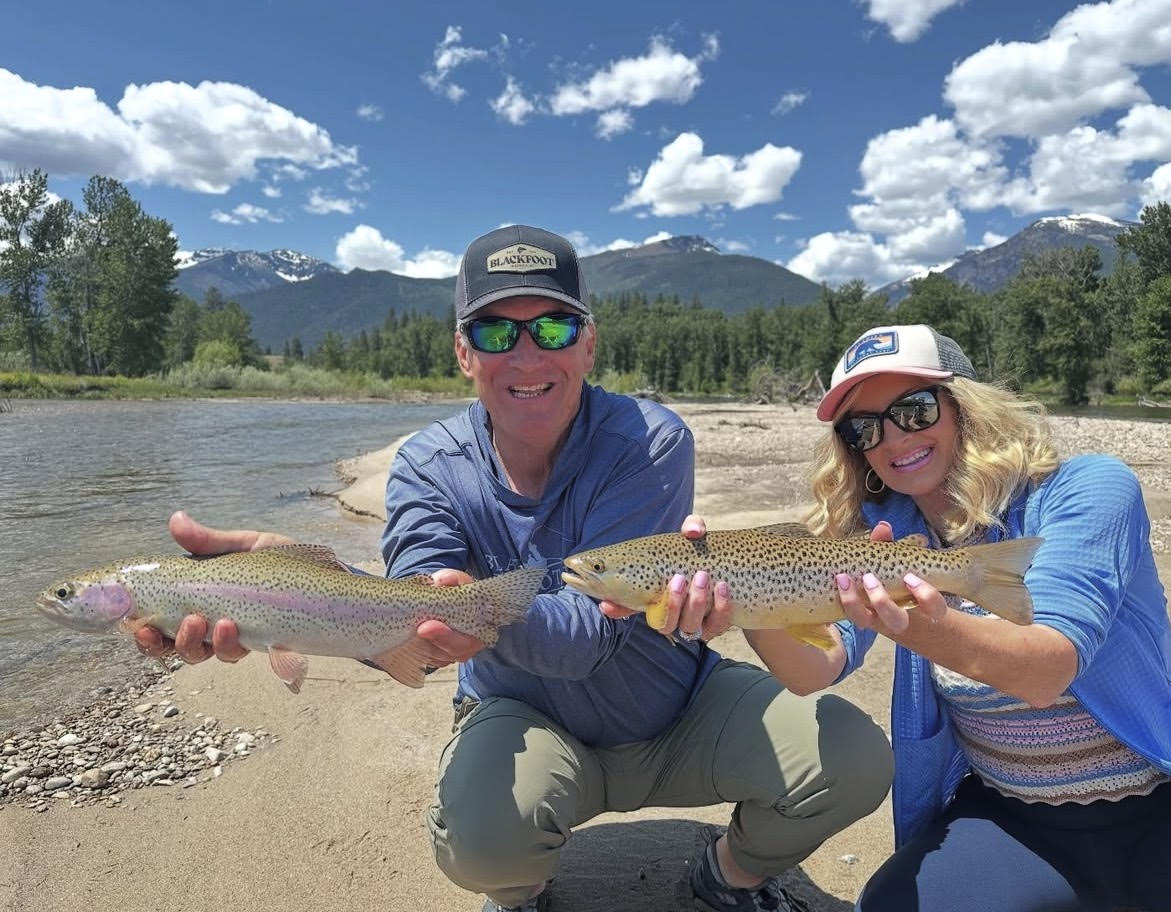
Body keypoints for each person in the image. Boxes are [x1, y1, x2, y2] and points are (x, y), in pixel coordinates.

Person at [137, 226, 893, 912]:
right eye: (497, 331)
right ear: (463, 352)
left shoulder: (648, 441)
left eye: (554, 327)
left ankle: (728, 873)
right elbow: (411, 618)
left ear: (588, 345)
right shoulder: (427, 467)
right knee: (480, 842)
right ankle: (521, 888)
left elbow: (588, 639)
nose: (527, 355)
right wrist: (295, 588)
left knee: (853, 759)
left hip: (680, 711)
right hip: (524, 720)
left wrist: (475, 610)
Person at [674, 324, 1171, 912]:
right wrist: (744, 597)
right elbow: (815, 667)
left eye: (913, 409)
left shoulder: (1086, 488)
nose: (890, 436)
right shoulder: (888, 531)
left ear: (966, 407)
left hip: (1153, 803)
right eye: (863, 427)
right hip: (1012, 815)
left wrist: (912, 624)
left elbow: (1046, 669)